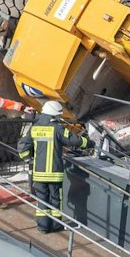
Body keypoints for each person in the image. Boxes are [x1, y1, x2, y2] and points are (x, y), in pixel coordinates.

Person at [17, 100, 88, 233]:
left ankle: (43, 227)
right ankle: (56, 225)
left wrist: (28, 160)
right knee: (55, 200)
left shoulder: (35, 128)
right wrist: (89, 142)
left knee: (42, 200)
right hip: (54, 173)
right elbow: (74, 140)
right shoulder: (58, 128)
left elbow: (23, 147)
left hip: (38, 173)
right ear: (54, 115)